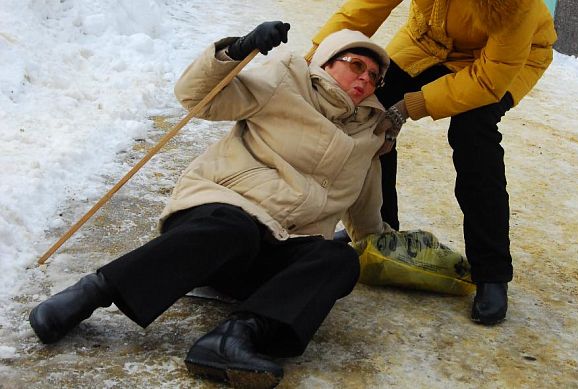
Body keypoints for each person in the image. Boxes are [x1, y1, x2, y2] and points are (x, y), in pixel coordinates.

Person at [29, 21, 392, 388]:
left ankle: (236, 336)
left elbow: (365, 213)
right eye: (355, 64)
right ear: (328, 62)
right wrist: (235, 52)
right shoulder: (285, 83)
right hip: (217, 220)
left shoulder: (370, 136)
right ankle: (95, 291)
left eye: (374, 76)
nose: (365, 78)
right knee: (236, 230)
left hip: (272, 256)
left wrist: (381, 245)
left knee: (338, 258)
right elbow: (196, 97)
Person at [308, 0, 557, 325]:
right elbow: (361, 10)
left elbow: (487, 80)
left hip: (507, 59)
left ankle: (491, 271)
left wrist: (412, 105)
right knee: (372, 109)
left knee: (473, 133)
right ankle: (377, 230)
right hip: (428, 42)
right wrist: (315, 59)